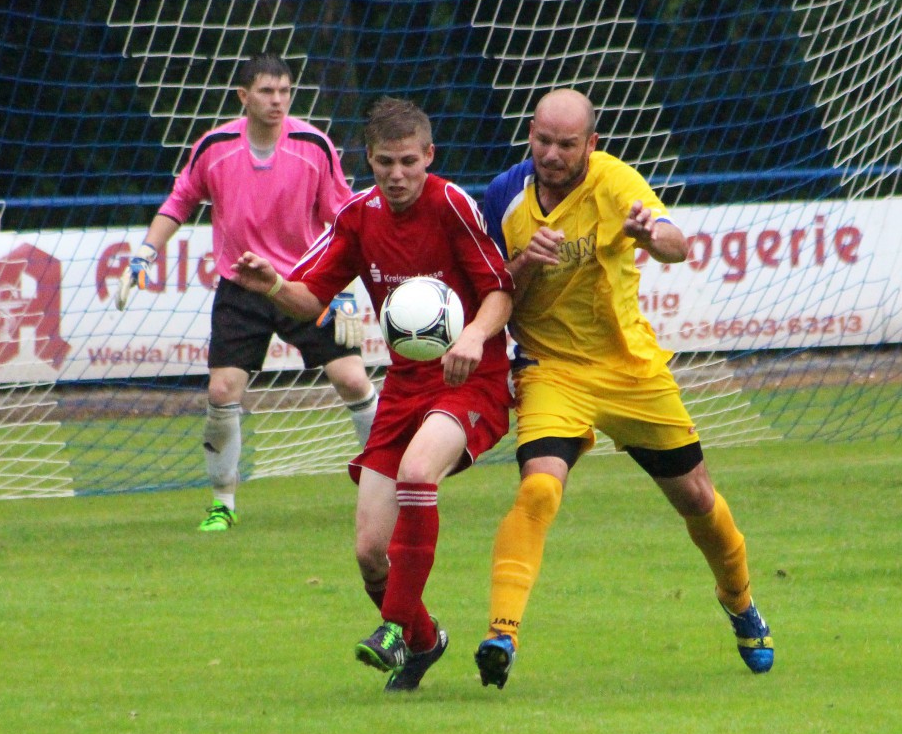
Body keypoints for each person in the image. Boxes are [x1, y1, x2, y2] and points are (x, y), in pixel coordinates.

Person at [474, 88, 775, 689]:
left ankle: (739, 600)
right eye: (542, 141)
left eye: (566, 144)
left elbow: (675, 242)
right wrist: (526, 262)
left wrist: (646, 234)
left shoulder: (614, 183)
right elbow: (496, 294)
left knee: (696, 499)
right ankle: (501, 633)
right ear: (529, 135)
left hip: (630, 370)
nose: (552, 155)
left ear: (592, 142)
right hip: (550, 369)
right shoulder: (504, 198)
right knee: (537, 488)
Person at [231, 96, 515, 691]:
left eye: (409, 161)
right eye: (385, 162)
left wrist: (473, 337)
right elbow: (312, 297)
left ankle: (389, 630)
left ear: (429, 156)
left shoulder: (451, 206)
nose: (397, 174)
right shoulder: (359, 217)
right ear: (369, 159)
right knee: (368, 553)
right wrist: (275, 286)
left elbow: (499, 292)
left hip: (470, 380)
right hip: (405, 389)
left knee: (417, 473)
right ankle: (422, 640)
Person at [117, 53, 378, 532]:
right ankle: (223, 503)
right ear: (243, 96)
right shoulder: (215, 146)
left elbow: (343, 223)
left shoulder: (313, 145)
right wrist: (144, 256)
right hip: (241, 288)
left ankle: (389, 482)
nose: (277, 101)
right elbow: (179, 202)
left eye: (284, 91)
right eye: (266, 91)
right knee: (221, 391)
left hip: (306, 284)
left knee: (354, 381)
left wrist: (342, 293)